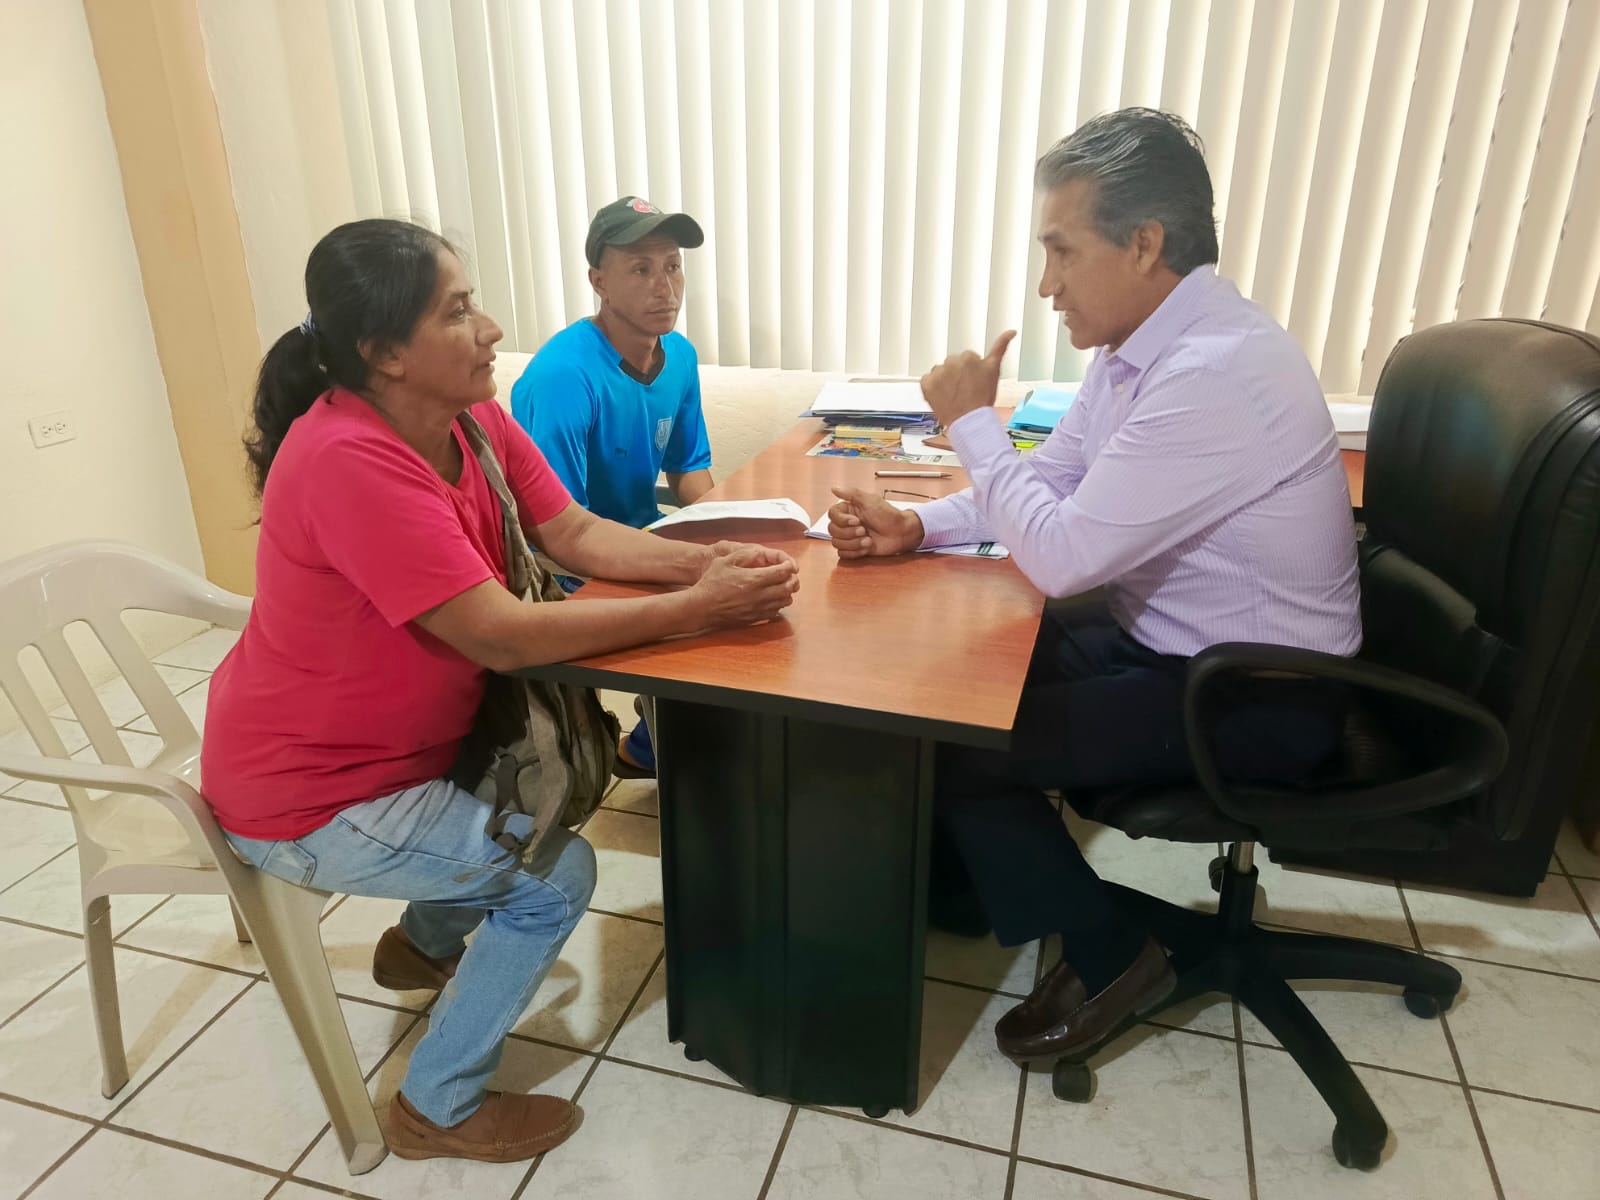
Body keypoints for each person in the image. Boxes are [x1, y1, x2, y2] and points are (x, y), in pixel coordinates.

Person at [204, 218, 798, 1164]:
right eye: (458, 311)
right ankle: (434, 1106)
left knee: (540, 792)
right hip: (314, 798)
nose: (489, 329)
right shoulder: (348, 460)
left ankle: (422, 944)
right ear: (384, 352)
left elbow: (575, 532)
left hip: (408, 754)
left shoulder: (468, 416)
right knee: (556, 876)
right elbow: (503, 635)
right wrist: (697, 609)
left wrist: (705, 565)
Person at [827, 108, 1359, 1067]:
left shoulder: (1215, 373)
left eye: (1062, 250)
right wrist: (916, 525)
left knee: (961, 740)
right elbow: (1054, 482)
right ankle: (980, 885)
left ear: (1144, 244)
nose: (1047, 285)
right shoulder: (1140, 350)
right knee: (949, 680)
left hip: (1259, 696)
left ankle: (1116, 957)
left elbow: (1063, 556)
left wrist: (971, 423)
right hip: (1173, 644)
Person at [510, 195, 714, 779]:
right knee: (706, 614)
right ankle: (659, 750)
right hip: (569, 560)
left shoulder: (679, 357)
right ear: (599, 281)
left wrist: (733, 529)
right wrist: (684, 570)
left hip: (640, 539)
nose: (664, 287)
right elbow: (556, 532)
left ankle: (651, 747)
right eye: (640, 269)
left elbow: (689, 472)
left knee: (750, 584)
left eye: (672, 266)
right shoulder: (563, 377)